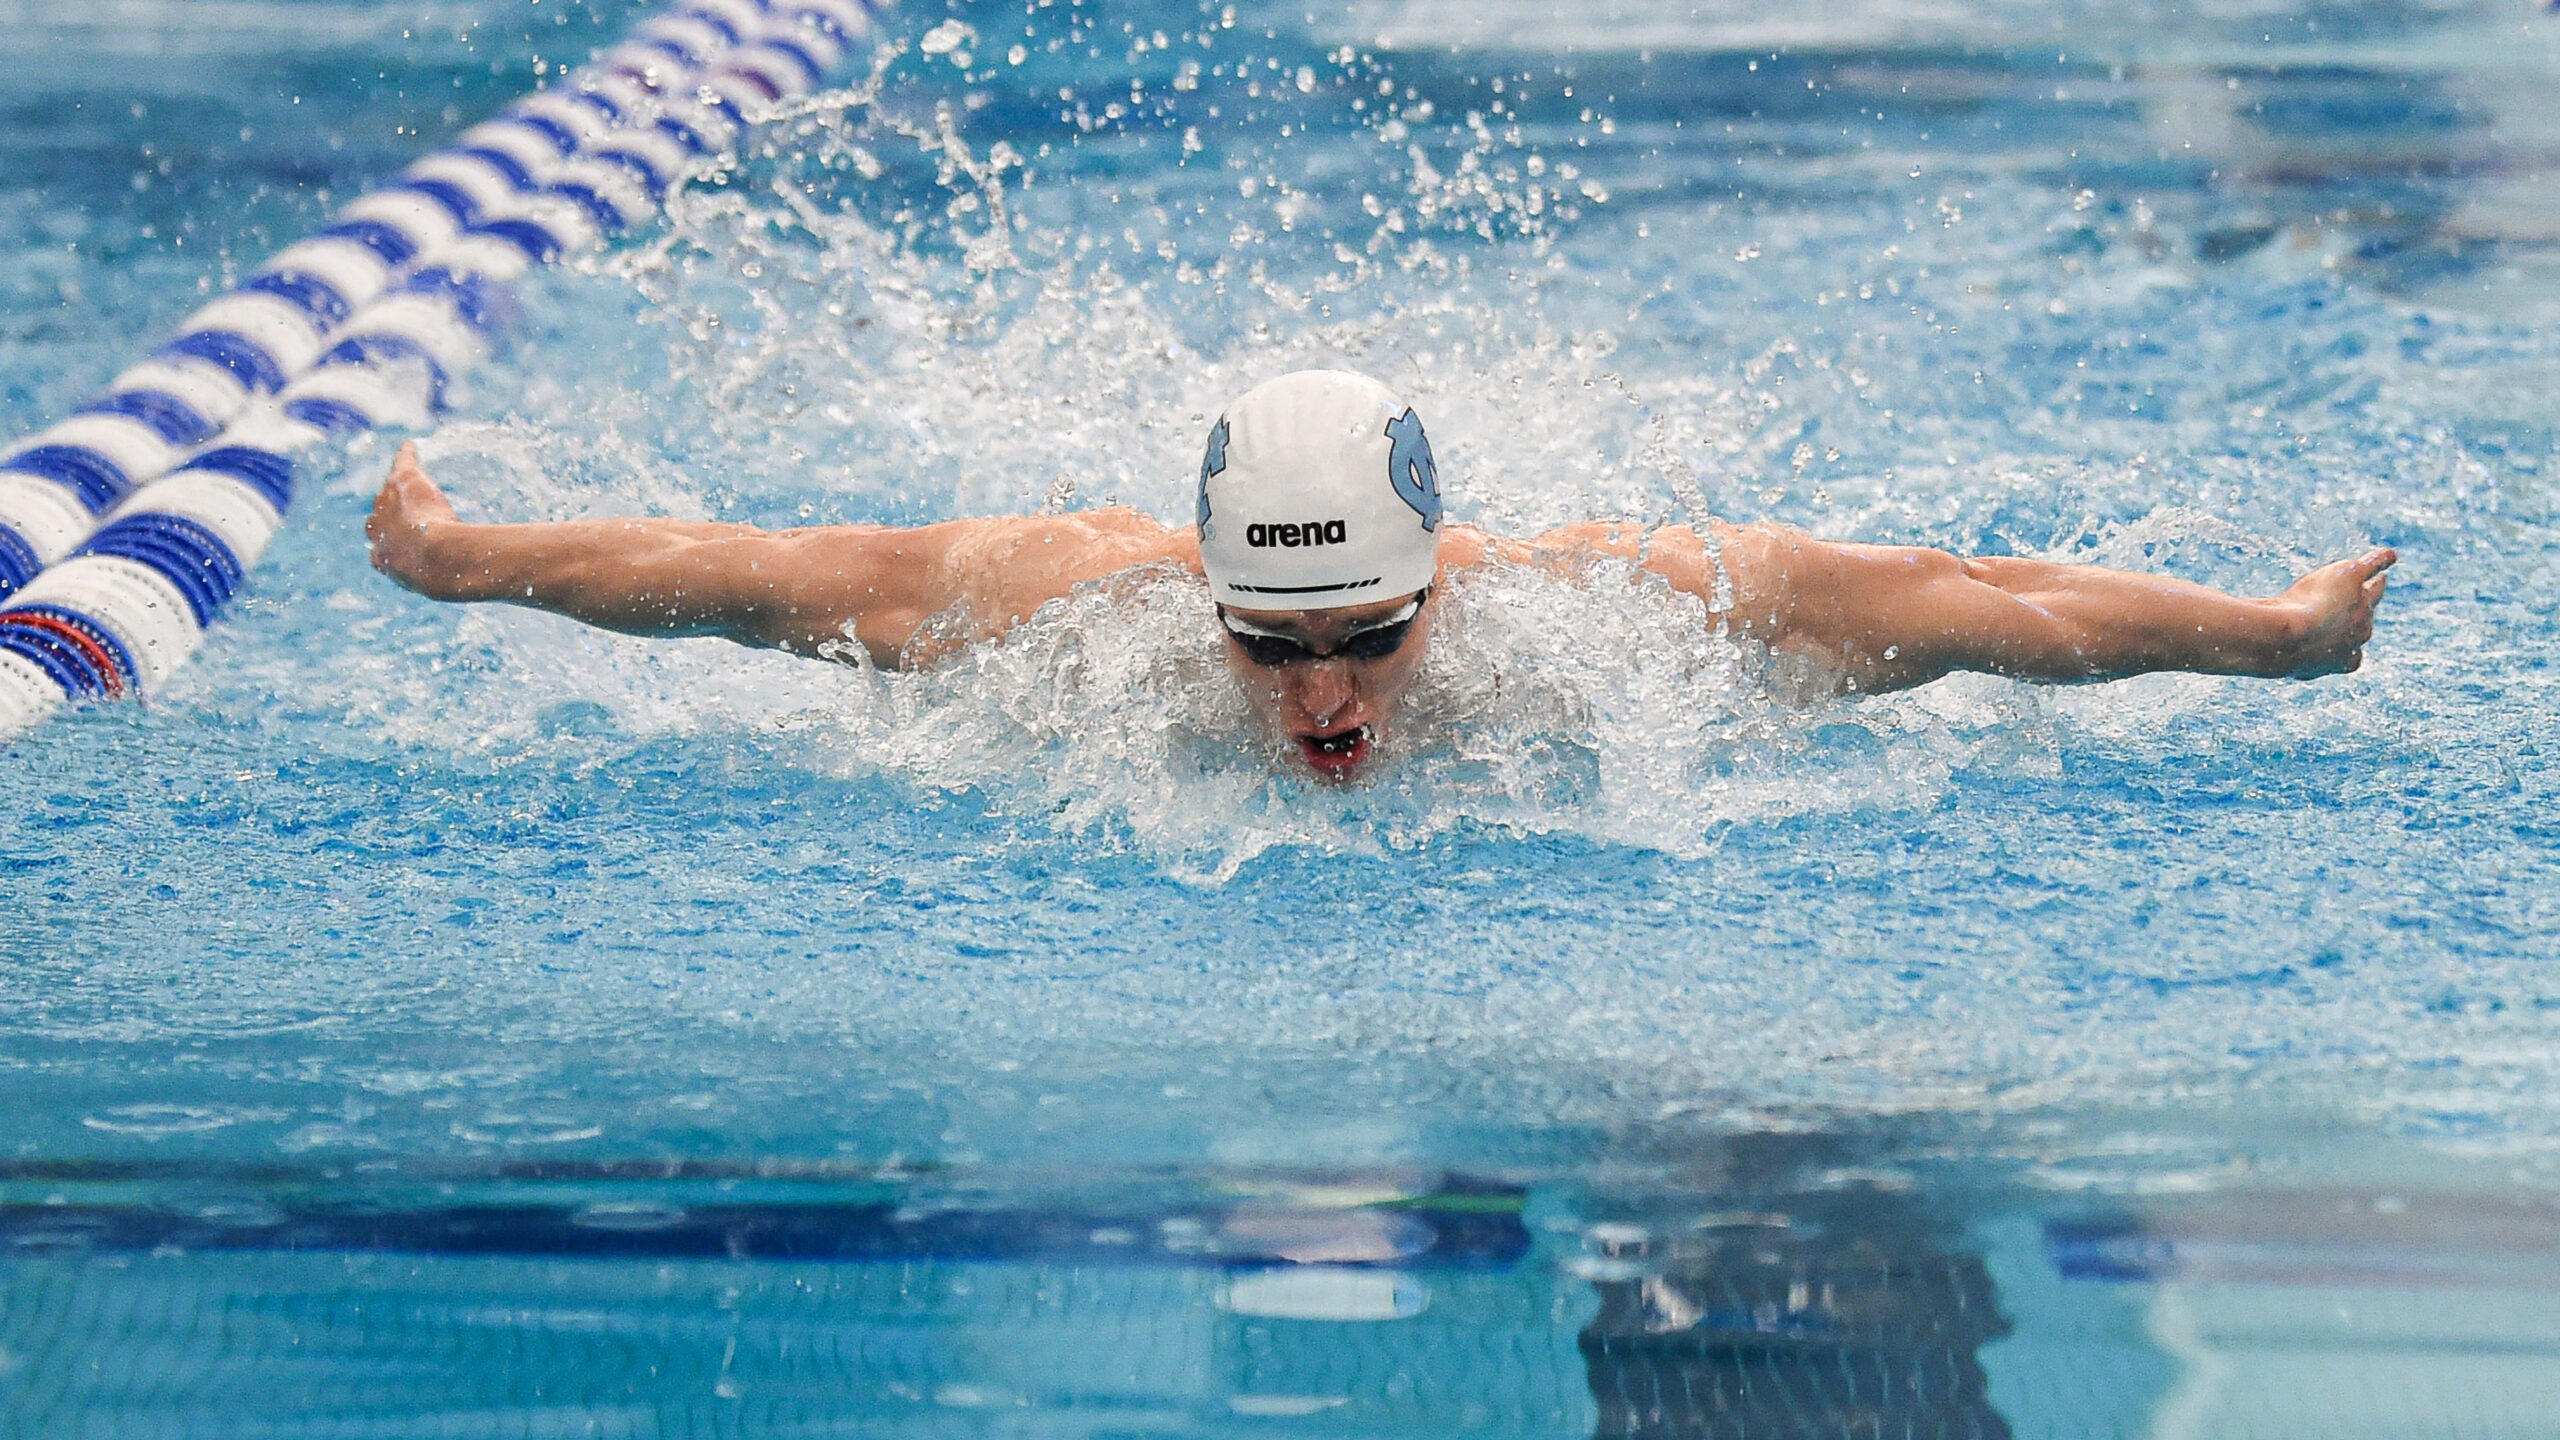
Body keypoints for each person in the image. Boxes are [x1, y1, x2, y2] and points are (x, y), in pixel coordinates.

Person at [367, 369, 2393, 781]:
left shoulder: (1604, 615)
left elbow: (1973, 602)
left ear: (1445, 582)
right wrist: (461, 564)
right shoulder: (1072, 604)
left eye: (1365, 640)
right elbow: (736, 578)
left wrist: (2273, 642)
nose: (1319, 700)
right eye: (1269, 647)